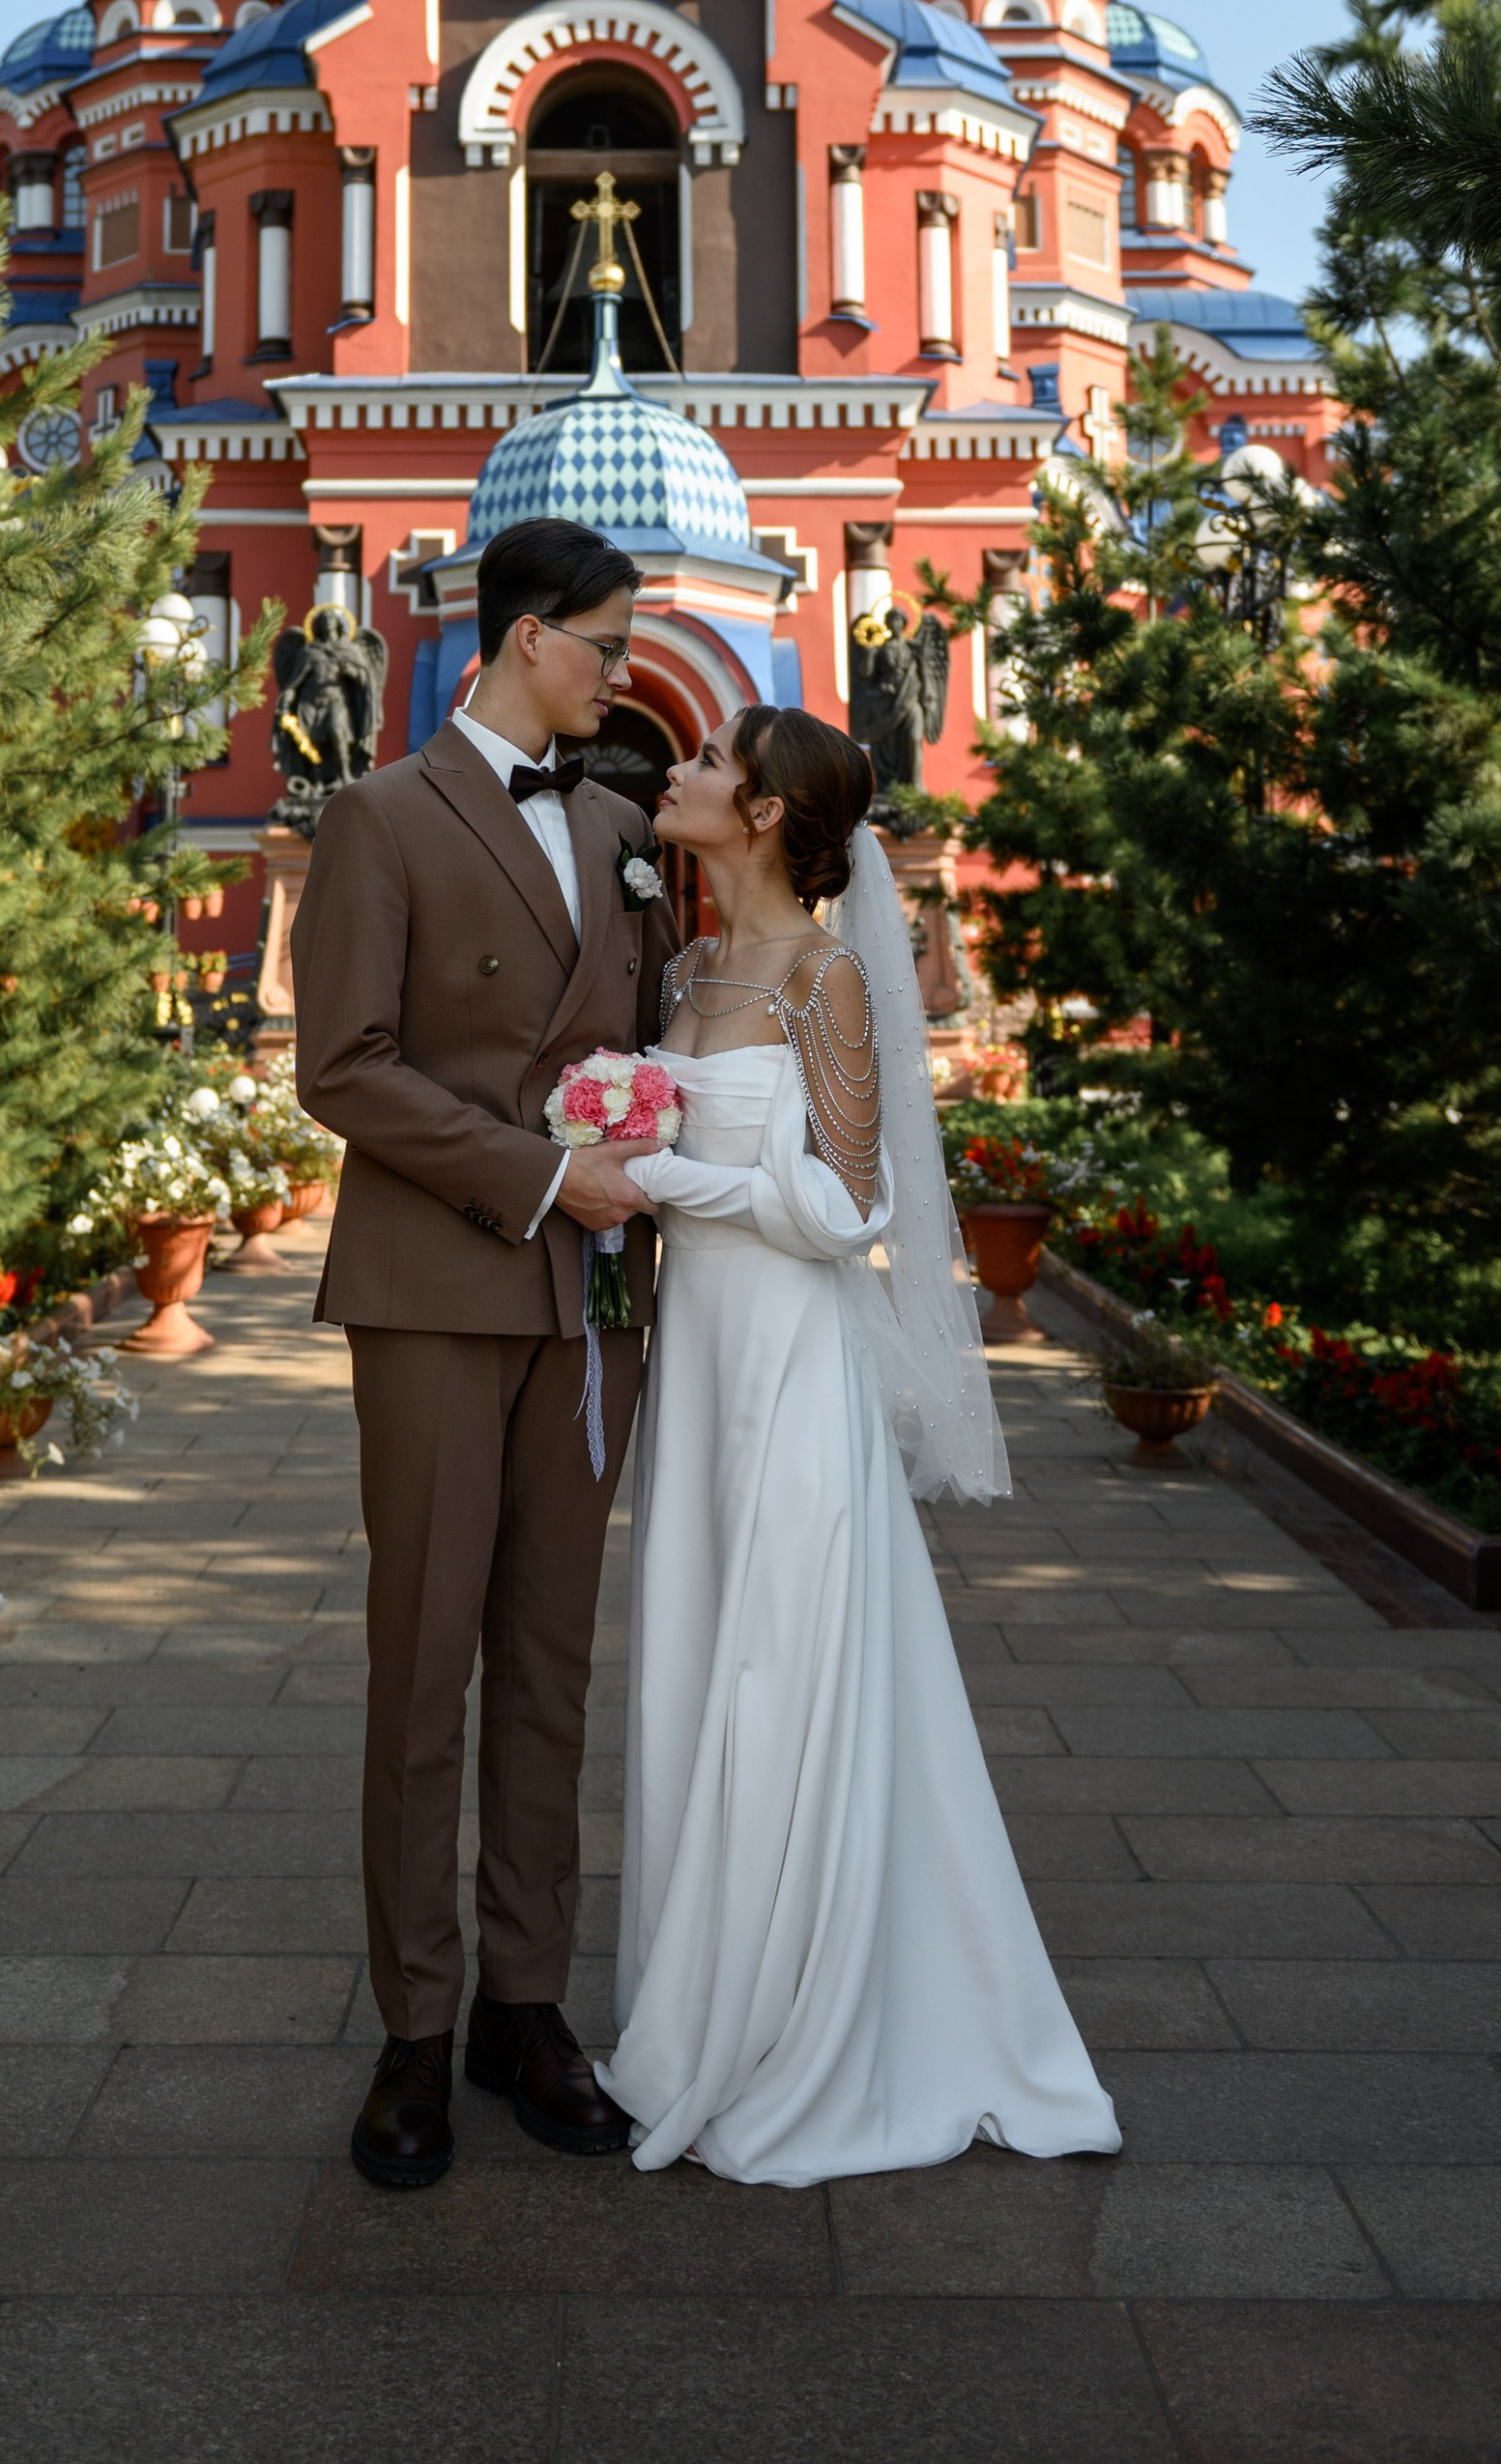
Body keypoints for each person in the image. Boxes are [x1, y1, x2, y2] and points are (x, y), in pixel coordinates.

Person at [595, 704, 1122, 2183]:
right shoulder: (694, 966)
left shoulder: (826, 978)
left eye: (706, 766)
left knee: (781, 1663)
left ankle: (793, 2028)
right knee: (706, 1657)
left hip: (786, 1367)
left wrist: (665, 1180)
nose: (677, 776)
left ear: (764, 813)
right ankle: (703, 2010)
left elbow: (852, 1206)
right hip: (697, 1365)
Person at [292, 517, 680, 2192]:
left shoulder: (621, 827)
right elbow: (345, 1067)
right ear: (526, 637)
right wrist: (539, 1170)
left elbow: (647, 1040)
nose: (618, 671)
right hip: (441, 1288)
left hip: (593, 1302)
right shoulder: (377, 816)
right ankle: (413, 2033)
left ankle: (532, 2008)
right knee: (423, 1666)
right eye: (603, 644)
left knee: (549, 1662)